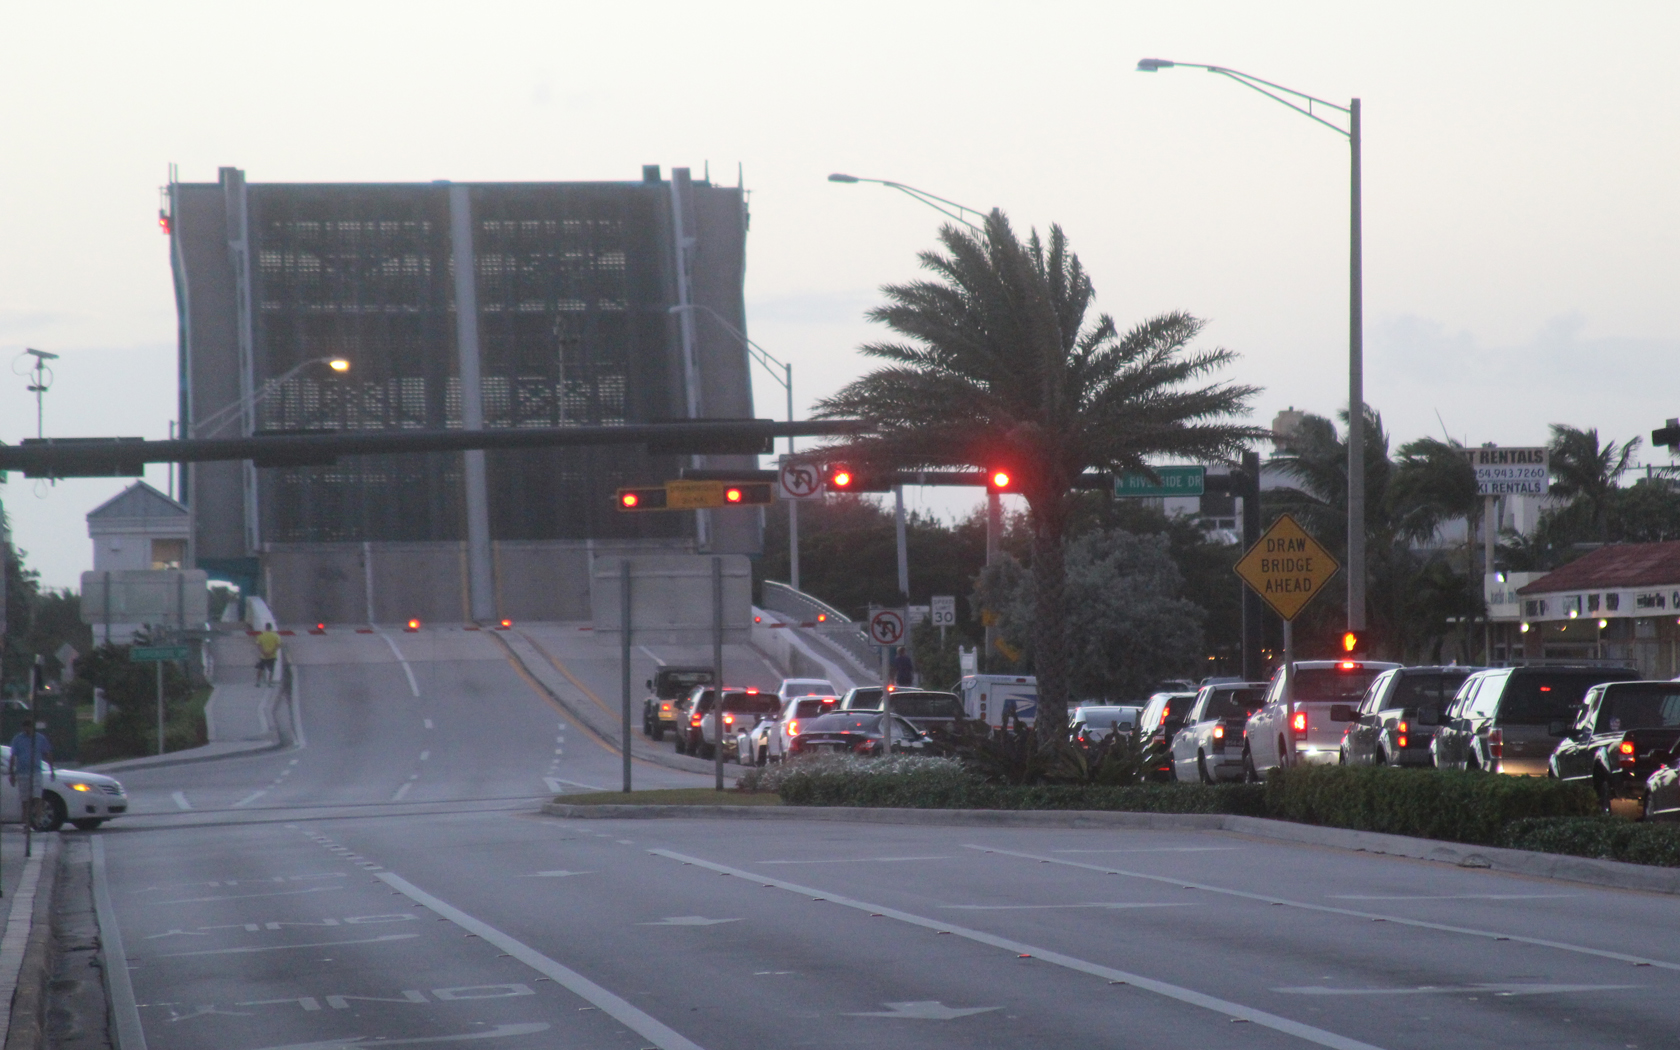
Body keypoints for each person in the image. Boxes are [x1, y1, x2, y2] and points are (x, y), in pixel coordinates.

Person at [9, 720, 56, 826]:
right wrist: (11, 773)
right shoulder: (18, 739)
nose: (26, 730)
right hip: (22, 772)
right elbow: (13, 756)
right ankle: (25, 823)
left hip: (36, 771)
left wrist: (52, 769)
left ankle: (38, 821)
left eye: (28, 728)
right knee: (25, 799)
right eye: (25, 728)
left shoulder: (40, 738)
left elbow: (47, 753)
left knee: (37, 797)